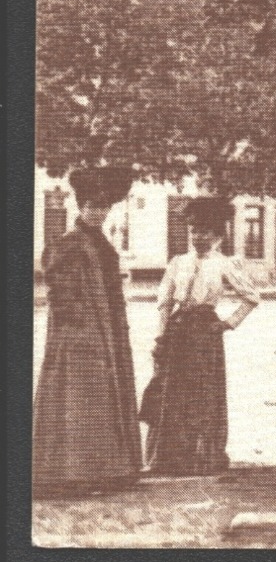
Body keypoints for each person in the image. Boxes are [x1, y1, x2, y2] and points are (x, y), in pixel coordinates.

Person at [34, 166, 142, 496]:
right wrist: (80, 324)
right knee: (80, 399)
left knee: (103, 398)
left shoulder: (100, 241)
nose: (98, 213)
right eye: (92, 206)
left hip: (107, 332)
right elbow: (60, 291)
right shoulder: (69, 242)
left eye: (104, 207)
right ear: (80, 207)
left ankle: (108, 469)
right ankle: (72, 472)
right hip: (81, 336)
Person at [143, 197, 261, 475]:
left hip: (205, 335)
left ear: (218, 236)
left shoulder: (224, 264)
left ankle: (200, 458)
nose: (198, 237)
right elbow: (165, 302)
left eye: (205, 232)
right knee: (170, 391)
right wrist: (160, 337)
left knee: (201, 394)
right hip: (177, 332)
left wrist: (228, 323)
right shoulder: (177, 263)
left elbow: (252, 297)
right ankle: (167, 459)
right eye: (194, 230)